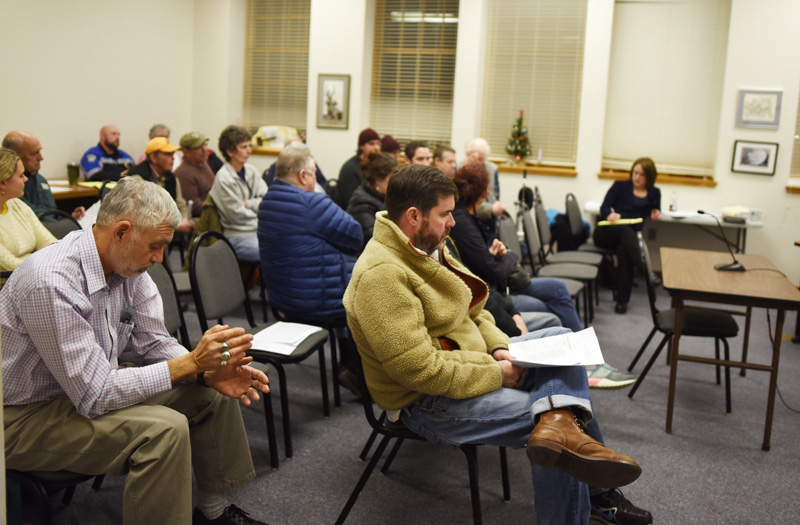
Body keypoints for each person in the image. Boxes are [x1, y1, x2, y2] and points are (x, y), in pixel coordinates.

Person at [343, 164, 650, 525]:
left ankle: (590, 488)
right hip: (424, 402)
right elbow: (419, 371)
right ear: (414, 216)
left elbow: (474, 308)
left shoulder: (426, 245)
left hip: (469, 366)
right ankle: (591, 495)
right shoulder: (383, 275)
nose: (453, 222)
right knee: (553, 429)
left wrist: (500, 348)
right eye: (445, 214)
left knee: (560, 339)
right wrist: (497, 372)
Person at [1, 177, 270, 524]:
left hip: (80, 392)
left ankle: (213, 513)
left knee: (209, 394)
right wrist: (189, 364)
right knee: (163, 430)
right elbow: (95, 396)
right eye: (155, 246)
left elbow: (154, 342)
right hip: (23, 418)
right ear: (121, 231)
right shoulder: (51, 281)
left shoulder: (127, 266)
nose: (159, 259)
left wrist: (207, 371)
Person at [449, 162, 636, 389]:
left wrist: (496, 254)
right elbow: (491, 272)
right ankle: (585, 363)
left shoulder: (469, 219)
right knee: (553, 300)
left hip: (499, 288)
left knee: (557, 291)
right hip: (498, 290)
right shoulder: (463, 223)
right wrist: (509, 256)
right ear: (485, 191)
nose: (449, 222)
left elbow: (481, 263)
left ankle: (586, 361)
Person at [257, 143, 363, 380]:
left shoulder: (268, 201)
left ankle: (349, 362)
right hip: (314, 300)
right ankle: (357, 371)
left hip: (283, 295)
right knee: (371, 291)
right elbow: (355, 235)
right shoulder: (311, 202)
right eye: (314, 174)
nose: (316, 180)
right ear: (303, 175)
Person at [593, 157, 661, 314]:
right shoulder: (620, 186)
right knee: (624, 229)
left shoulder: (654, 193)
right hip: (606, 232)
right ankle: (645, 270)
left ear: (649, 177)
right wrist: (609, 215)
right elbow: (604, 207)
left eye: (641, 175)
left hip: (627, 239)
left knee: (626, 249)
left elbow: (655, 209)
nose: (636, 177)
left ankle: (622, 301)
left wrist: (655, 213)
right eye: (635, 173)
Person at [208, 125, 268, 263]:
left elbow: (266, 200)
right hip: (237, 236)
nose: (249, 151)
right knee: (271, 252)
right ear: (230, 151)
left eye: (249, 146)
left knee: (286, 245)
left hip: (257, 231)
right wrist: (260, 216)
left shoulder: (251, 171)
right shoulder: (223, 178)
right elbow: (237, 216)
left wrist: (248, 203)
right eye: (244, 147)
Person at [2, 130, 85, 220]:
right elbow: (34, 218)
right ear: (14, 155)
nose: (41, 158)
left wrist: (70, 217)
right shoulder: (12, 185)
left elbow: (50, 213)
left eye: (39, 151)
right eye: (34, 153)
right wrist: (64, 222)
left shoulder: (41, 180)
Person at [0, 148, 57, 273]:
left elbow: (50, 243)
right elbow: (10, 265)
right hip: (8, 283)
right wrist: (49, 267)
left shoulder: (17, 205)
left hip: (33, 274)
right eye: (21, 175)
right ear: (3, 183)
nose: (25, 179)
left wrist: (60, 259)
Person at [127, 137, 194, 234]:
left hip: (165, 229)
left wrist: (184, 219)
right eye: (168, 154)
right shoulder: (137, 179)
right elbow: (141, 215)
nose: (173, 158)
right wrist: (176, 225)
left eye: (173, 154)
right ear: (153, 158)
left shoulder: (172, 178)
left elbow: (181, 204)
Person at [346, 151, 397, 249]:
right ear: (378, 180)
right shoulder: (361, 204)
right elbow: (377, 239)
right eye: (391, 179)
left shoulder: (383, 197)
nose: (395, 183)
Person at [335, 127, 381, 208]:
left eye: (378, 144)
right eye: (371, 144)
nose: (376, 148)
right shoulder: (350, 168)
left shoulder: (374, 166)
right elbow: (351, 201)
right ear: (361, 146)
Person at [174, 131, 216, 217]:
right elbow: (195, 207)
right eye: (198, 148)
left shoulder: (203, 164)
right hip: (203, 219)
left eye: (205, 145)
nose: (205, 150)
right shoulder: (183, 173)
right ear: (186, 151)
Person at [262, 136, 327, 191]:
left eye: (300, 148)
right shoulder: (277, 166)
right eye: (295, 148)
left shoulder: (310, 164)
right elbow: (271, 187)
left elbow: (323, 183)